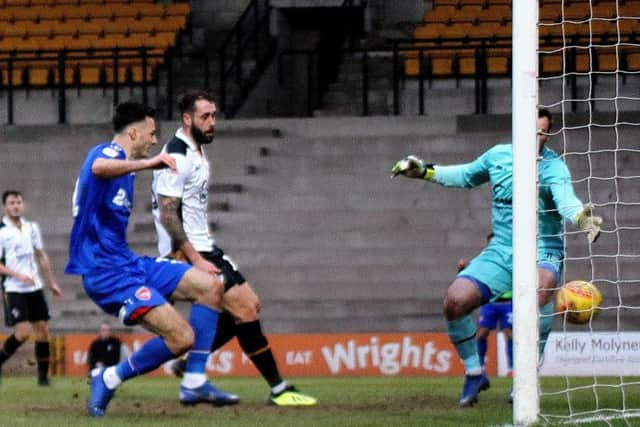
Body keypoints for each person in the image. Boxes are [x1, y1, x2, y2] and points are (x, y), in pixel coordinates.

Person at [391, 108, 603, 407]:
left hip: (543, 249)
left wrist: (582, 219)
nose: (536, 138)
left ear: (547, 135)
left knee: (541, 288)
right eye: (531, 132)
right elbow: (465, 175)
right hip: (502, 249)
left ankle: (527, 378)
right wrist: (424, 171)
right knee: (455, 301)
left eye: (542, 133)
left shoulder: (555, 168)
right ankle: (474, 371)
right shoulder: (498, 156)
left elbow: (566, 200)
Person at [65, 101, 238, 417]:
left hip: (128, 263)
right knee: (182, 337)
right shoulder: (108, 154)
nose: (155, 141)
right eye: (152, 133)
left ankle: (195, 380)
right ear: (133, 132)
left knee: (211, 285)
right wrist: (151, 164)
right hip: (106, 274)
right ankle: (109, 377)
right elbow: (98, 168)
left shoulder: (126, 166)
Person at [151, 90, 317, 407]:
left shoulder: (194, 151)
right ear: (187, 119)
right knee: (245, 308)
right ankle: (279, 389)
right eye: (205, 117)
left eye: (214, 115)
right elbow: (167, 212)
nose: (212, 122)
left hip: (205, 246)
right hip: (191, 250)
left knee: (247, 308)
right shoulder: (177, 155)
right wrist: (190, 256)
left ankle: (188, 364)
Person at [0, 190, 62, 386]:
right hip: (13, 288)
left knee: (43, 330)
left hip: (34, 287)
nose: (16, 206)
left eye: (18, 202)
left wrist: (52, 282)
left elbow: (41, 255)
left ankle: (43, 377)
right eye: (11, 203)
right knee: (24, 332)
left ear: (22, 204)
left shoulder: (31, 228)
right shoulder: (2, 231)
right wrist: (18, 275)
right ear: (5, 206)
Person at [458, 234, 513, 378]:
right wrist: (462, 270)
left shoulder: (511, 257)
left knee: (510, 334)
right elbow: (473, 276)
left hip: (508, 303)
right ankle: (480, 366)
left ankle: (513, 368)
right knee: (482, 333)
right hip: (490, 303)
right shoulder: (485, 260)